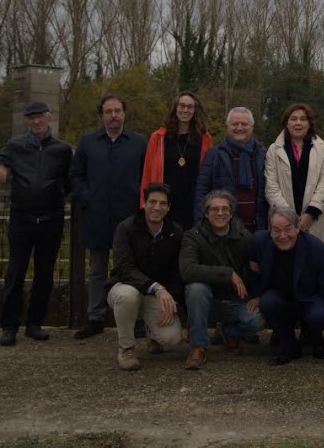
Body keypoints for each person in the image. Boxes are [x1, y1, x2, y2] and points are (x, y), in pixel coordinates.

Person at [0, 101, 73, 347]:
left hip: (51, 220)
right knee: (15, 273)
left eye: (40, 117)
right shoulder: (14, 146)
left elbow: (72, 179)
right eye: (31, 118)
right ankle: (9, 326)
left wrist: (61, 193)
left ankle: (35, 324)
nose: (36, 122)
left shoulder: (62, 150)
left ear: (48, 118)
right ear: (27, 121)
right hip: (21, 220)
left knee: (45, 275)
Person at [71, 94, 148, 340]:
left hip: (130, 216)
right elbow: (76, 174)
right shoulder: (87, 142)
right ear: (102, 115)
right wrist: (86, 196)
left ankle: (136, 319)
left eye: (117, 111)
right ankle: (95, 318)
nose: (113, 115)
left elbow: (148, 175)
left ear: (124, 113)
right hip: (97, 215)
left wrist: (142, 203)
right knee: (97, 269)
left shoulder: (139, 142)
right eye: (108, 111)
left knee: (133, 268)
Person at [247, 208, 324, 368]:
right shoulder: (259, 241)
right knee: (267, 302)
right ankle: (289, 345)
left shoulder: (317, 249)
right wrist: (256, 295)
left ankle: (316, 339)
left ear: (298, 228)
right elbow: (253, 269)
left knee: (319, 315)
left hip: (310, 299)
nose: (282, 236)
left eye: (288, 229)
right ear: (270, 230)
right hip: (281, 297)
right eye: (276, 230)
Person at [180, 190, 264, 370]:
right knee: (195, 288)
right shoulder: (193, 236)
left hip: (234, 302)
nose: (220, 213)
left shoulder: (245, 238)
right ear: (206, 213)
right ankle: (198, 346)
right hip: (206, 303)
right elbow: (187, 270)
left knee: (258, 319)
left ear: (231, 213)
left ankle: (229, 332)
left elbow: (256, 271)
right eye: (214, 209)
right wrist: (228, 274)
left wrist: (257, 297)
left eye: (225, 209)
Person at [107, 182, 184, 371]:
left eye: (162, 203)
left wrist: (173, 300)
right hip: (124, 286)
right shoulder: (126, 228)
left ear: (169, 207)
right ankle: (126, 349)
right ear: (144, 203)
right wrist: (156, 287)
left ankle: (153, 334)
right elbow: (124, 268)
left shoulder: (175, 232)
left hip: (154, 294)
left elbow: (177, 271)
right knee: (128, 296)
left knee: (172, 338)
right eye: (153, 202)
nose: (157, 207)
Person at [265, 103, 324, 257]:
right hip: (283, 220)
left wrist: (311, 213)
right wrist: (288, 218)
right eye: (293, 119)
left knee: (314, 262)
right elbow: (271, 185)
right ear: (286, 123)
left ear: (309, 124)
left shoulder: (321, 149)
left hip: (314, 219)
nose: (298, 123)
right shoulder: (273, 150)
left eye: (303, 119)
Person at [141, 92, 213, 231]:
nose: (185, 110)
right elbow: (147, 173)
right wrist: (144, 204)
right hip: (164, 202)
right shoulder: (158, 138)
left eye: (190, 107)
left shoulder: (204, 138)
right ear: (175, 108)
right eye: (182, 106)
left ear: (195, 110)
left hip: (192, 201)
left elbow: (208, 173)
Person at [194, 106, 268, 232]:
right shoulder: (214, 155)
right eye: (235, 124)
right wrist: (200, 225)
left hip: (258, 228)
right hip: (224, 230)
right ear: (227, 126)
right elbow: (202, 191)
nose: (239, 128)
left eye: (244, 124)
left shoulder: (264, 155)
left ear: (252, 127)